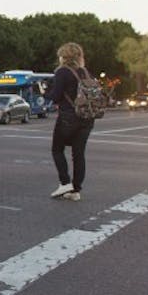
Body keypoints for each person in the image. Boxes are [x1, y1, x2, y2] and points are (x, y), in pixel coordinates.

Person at [49, 42, 99, 201]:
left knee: (57, 149)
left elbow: (56, 97)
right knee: (78, 154)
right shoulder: (85, 72)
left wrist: (46, 93)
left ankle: (65, 183)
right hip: (87, 118)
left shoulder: (62, 72)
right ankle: (76, 190)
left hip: (68, 118)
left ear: (63, 57)